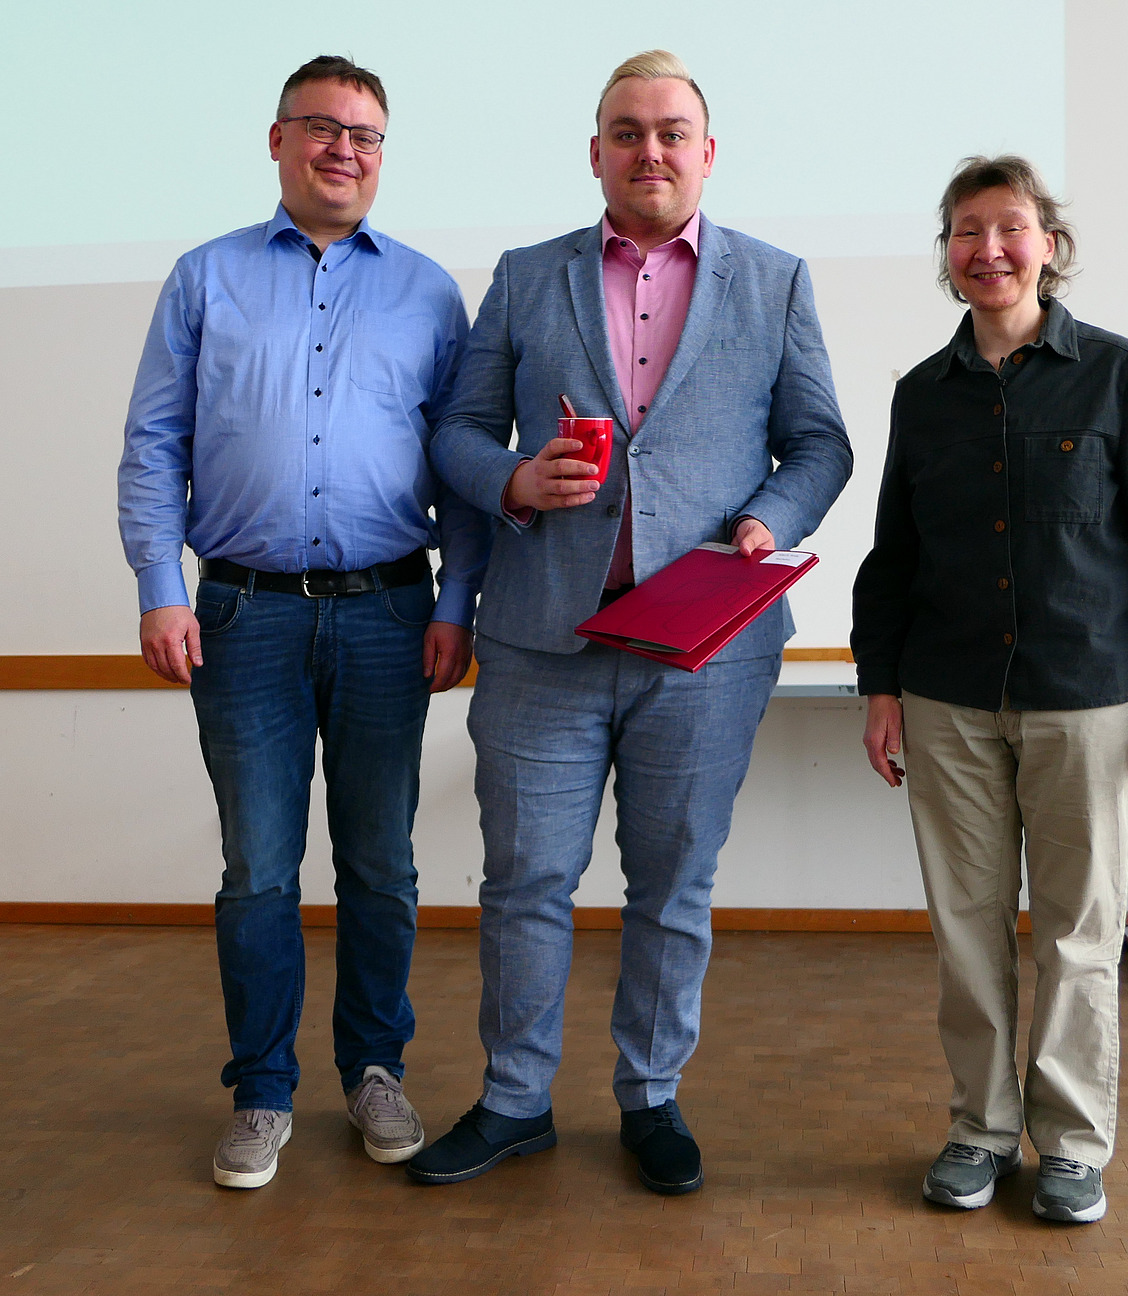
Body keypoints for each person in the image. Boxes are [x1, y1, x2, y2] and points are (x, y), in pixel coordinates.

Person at [404, 50, 851, 1195]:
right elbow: (455, 426)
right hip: (542, 640)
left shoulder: (777, 280)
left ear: (707, 151)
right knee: (525, 882)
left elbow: (820, 444)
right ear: (595, 151)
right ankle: (514, 1101)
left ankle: (650, 1096)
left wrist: (767, 517)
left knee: (673, 884)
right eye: (625, 132)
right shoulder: (525, 274)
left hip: (705, 648)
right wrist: (508, 479)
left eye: (670, 131)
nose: (649, 150)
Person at [117, 55, 490, 1189]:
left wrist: (458, 602)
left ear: (384, 156)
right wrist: (159, 584)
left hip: (390, 612)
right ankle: (264, 1090)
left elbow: (464, 467)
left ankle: (375, 1069)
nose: (344, 149)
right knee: (259, 869)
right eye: (322, 128)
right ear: (276, 141)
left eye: (367, 135)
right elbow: (152, 446)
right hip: (242, 614)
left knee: (381, 865)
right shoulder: (204, 279)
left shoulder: (428, 291)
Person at [851, 155, 1128, 1224]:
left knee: (1076, 934)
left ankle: (1072, 1146)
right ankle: (978, 1131)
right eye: (967, 231)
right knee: (968, 932)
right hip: (946, 696)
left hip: (1087, 694)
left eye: (1010, 228)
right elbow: (894, 557)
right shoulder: (921, 394)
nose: (990, 250)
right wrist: (880, 689)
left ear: (1049, 244)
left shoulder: (1115, 372)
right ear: (948, 256)